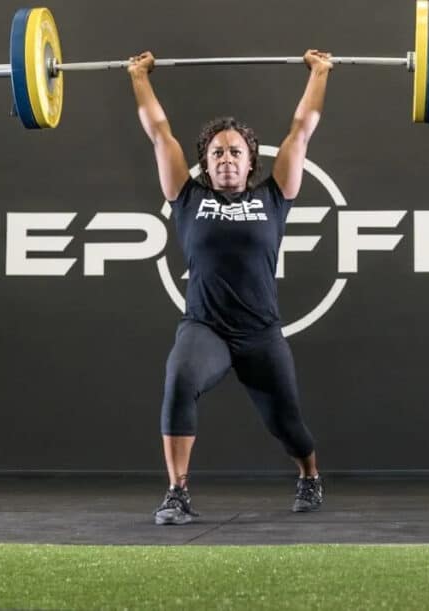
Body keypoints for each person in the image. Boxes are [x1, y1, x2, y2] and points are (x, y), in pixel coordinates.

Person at [127, 49, 332, 525]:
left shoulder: (274, 196)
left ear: (250, 160)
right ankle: (177, 492)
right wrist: (139, 77)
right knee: (178, 380)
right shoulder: (186, 197)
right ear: (205, 161)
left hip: (261, 332)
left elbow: (302, 128)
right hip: (206, 328)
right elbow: (159, 131)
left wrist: (319, 74)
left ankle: (309, 474)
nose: (225, 159)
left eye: (235, 151)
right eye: (216, 152)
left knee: (288, 425)